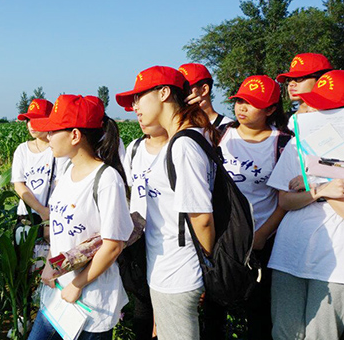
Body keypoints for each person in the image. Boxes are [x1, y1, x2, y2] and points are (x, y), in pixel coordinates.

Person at [116, 65, 217, 340]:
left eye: (139, 97)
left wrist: (206, 269)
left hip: (178, 272)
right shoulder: (180, 141)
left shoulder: (183, 145)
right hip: (164, 270)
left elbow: (202, 218)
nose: (135, 106)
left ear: (163, 93)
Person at [27, 94, 133, 340]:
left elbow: (113, 245)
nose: (48, 137)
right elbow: (60, 227)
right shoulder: (66, 171)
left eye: (53, 131)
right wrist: (51, 265)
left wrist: (78, 284)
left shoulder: (106, 179)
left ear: (75, 135)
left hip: (91, 304)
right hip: (59, 295)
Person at [267, 70, 344, 339]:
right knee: (284, 333)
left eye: (327, 106)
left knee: (322, 335)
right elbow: (286, 200)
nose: (315, 111)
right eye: (315, 104)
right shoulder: (298, 145)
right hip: (290, 254)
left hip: (335, 265)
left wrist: (318, 177)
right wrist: (323, 188)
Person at [218, 75, 290, 339]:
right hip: (221, 241)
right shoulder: (220, 136)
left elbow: (284, 200)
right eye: (239, 101)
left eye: (251, 103)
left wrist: (260, 237)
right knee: (216, 309)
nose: (242, 108)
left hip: (262, 242)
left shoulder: (283, 144)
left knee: (258, 313)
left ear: (271, 109)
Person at [123, 119, 168, 340]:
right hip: (140, 240)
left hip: (170, 244)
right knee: (143, 302)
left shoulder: (180, 148)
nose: (140, 115)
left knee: (168, 312)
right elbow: (128, 192)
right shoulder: (134, 148)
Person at [12, 98, 54, 265]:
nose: (31, 125)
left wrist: (48, 218)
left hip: (51, 217)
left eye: (36, 120)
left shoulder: (57, 149)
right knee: (24, 266)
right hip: (27, 216)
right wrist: (41, 211)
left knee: (46, 268)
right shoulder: (22, 150)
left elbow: (60, 185)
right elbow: (19, 185)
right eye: (29, 120)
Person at [275, 53, 333, 118]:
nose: (291, 84)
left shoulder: (338, 115)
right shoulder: (286, 122)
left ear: (321, 80)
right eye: (289, 80)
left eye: (299, 78)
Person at [178, 63, 234, 127]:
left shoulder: (228, 127)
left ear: (204, 90)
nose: (181, 93)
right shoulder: (179, 125)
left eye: (186, 88)